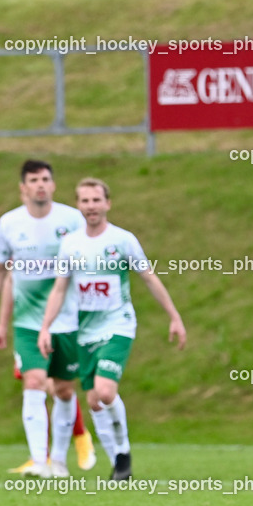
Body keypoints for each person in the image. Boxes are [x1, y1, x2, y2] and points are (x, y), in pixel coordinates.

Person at [38, 177, 187, 481]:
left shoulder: (122, 240)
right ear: (78, 205)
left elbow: (149, 277)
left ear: (107, 203)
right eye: (85, 200)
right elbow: (59, 288)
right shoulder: (71, 244)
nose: (91, 206)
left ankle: (123, 455)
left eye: (96, 200)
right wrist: (45, 328)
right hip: (86, 331)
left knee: (105, 391)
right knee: (94, 400)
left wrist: (174, 316)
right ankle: (120, 458)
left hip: (119, 324)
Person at [0, 160, 96, 478]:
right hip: (28, 321)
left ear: (53, 185)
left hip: (68, 319)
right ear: (23, 188)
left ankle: (58, 460)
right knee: (33, 382)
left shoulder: (71, 220)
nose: (40, 185)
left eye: (45, 179)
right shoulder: (9, 223)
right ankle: (39, 461)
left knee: (64, 390)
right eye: (33, 180)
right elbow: (0, 270)